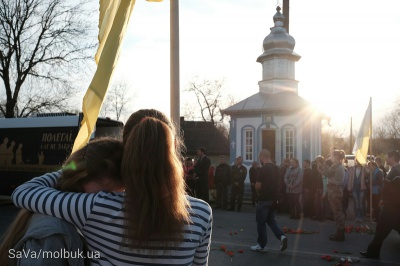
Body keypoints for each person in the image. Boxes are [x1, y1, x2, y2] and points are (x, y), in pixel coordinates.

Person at [11, 112, 213, 265]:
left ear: (128, 155)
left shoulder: (96, 207)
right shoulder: (202, 214)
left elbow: (23, 193)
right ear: (173, 152)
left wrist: (69, 169)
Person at [1, 137, 124, 266]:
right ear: (82, 179)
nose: (114, 202)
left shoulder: (53, 207)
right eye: (108, 195)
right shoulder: (52, 234)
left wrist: (70, 169)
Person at [360, 150, 400, 259]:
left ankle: (373, 252)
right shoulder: (393, 170)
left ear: (392, 158)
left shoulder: (397, 172)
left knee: (380, 230)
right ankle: (373, 252)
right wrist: (383, 199)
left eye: (387, 156)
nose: (385, 159)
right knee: (383, 230)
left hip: (391, 208)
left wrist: (386, 201)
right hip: (391, 207)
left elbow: (396, 192)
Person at [251, 149, 287, 252]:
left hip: (264, 199)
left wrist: (258, 195)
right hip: (274, 198)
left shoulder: (262, 169)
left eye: (260, 158)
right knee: (271, 220)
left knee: (261, 222)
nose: (260, 160)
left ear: (263, 157)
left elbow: (258, 186)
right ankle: (282, 237)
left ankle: (261, 245)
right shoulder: (277, 168)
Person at [321, 150, 346, 241]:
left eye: (331, 156)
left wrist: (323, 164)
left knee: (337, 212)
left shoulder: (337, 167)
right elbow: (325, 173)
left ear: (336, 157)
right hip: (334, 190)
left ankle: (340, 233)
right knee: (336, 212)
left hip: (335, 190)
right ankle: (339, 232)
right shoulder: (336, 166)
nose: (330, 158)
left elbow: (325, 173)